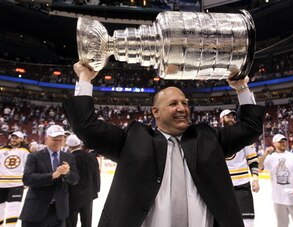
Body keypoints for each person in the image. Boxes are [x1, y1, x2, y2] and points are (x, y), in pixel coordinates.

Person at [63, 62, 265, 227]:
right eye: (173, 104)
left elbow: (251, 128)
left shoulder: (206, 137)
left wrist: (241, 88)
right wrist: (85, 78)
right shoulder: (134, 139)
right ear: (155, 112)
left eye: (185, 103)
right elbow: (86, 127)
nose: (182, 108)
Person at [19, 125, 79, 227]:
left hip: (58, 212)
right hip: (35, 210)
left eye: (61, 139)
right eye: (55, 139)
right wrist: (53, 175)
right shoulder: (34, 156)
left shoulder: (69, 157)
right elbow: (27, 179)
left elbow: (75, 179)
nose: (58, 142)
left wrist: (67, 173)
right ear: (46, 139)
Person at [259, 134, 293, 227]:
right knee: (282, 225)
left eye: (284, 141)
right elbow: (259, 167)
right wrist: (265, 153)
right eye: (280, 141)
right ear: (274, 143)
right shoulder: (270, 158)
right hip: (278, 199)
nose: (283, 143)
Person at [220, 109, 259, 227]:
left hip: (243, 184)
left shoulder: (243, 137)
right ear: (221, 119)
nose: (231, 119)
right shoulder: (215, 137)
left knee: (247, 222)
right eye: (228, 117)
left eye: (233, 117)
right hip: (224, 185)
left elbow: (252, 160)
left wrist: (256, 179)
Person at [66, 134, 101, 227]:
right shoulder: (92, 157)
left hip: (72, 196)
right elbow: (96, 176)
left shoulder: (67, 158)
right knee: (86, 222)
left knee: (70, 223)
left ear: (68, 146)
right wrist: (96, 190)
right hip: (88, 195)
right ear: (80, 144)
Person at [0, 131, 30, 227]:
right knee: (0, 206)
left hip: (17, 184)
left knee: (14, 207)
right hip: (1, 183)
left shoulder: (25, 151)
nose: (14, 139)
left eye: (16, 138)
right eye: (12, 137)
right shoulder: (1, 150)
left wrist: (27, 180)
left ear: (21, 139)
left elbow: (28, 167)